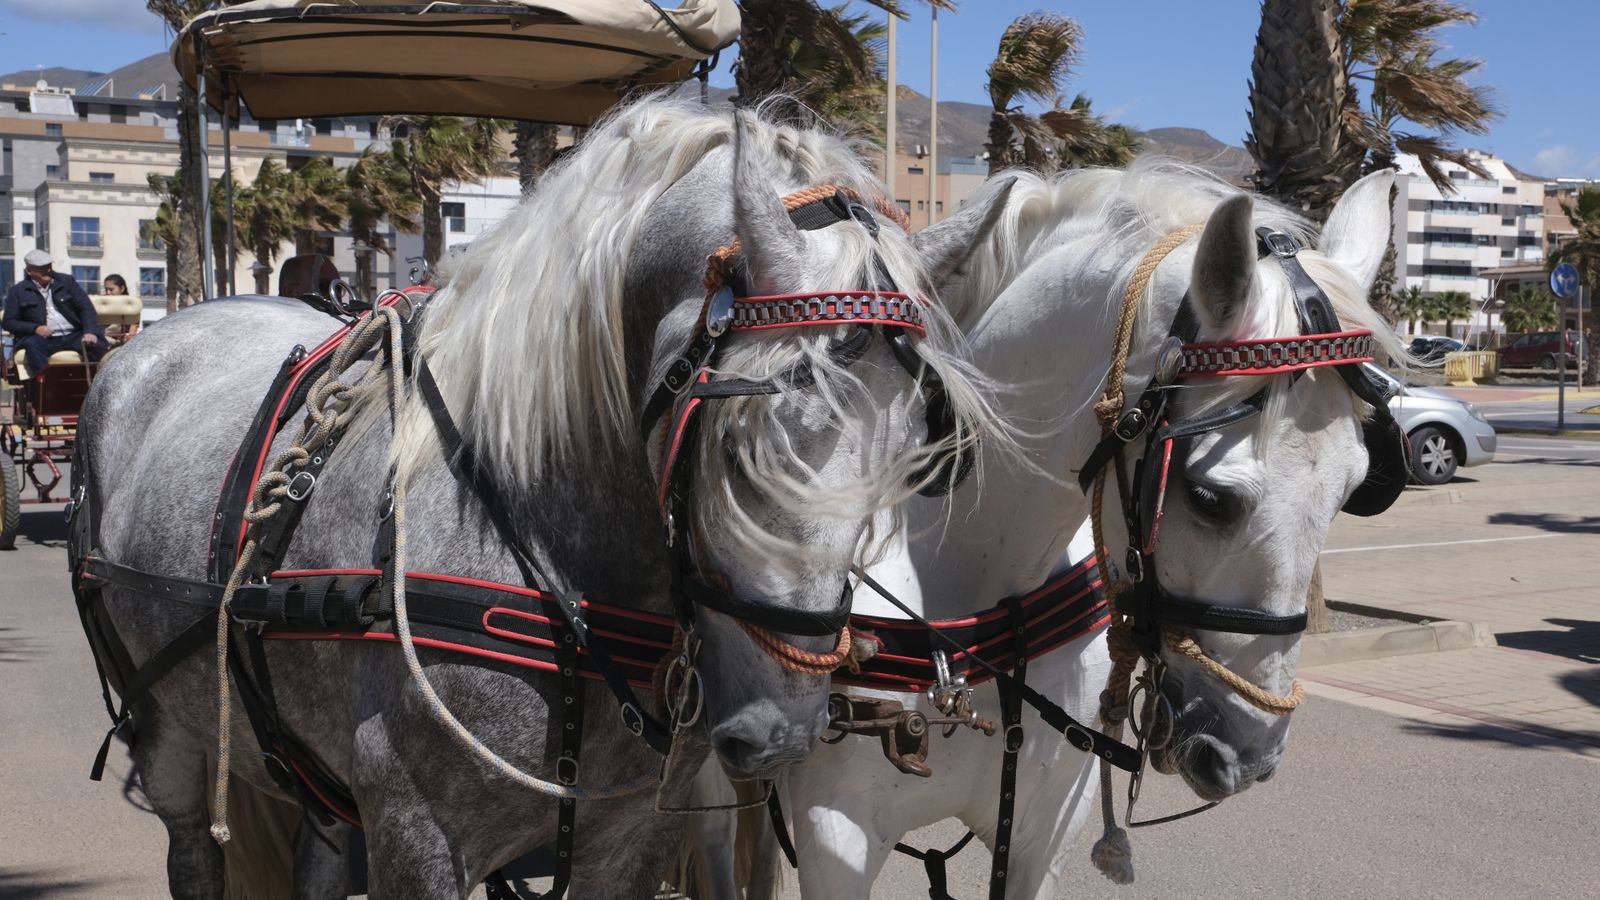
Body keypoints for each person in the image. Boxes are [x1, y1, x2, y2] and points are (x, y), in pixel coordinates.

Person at [2, 249, 106, 376]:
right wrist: (35, 329)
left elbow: (86, 308)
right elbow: (9, 322)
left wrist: (89, 331)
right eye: (42, 267)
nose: (48, 270)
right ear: (29, 271)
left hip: (73, 335)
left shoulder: (67, 281)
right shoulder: (17, 291)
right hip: (44, 340)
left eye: (49, 266)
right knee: (33, 345)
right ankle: (45, 386)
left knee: (97, 344)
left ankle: (101, 383)